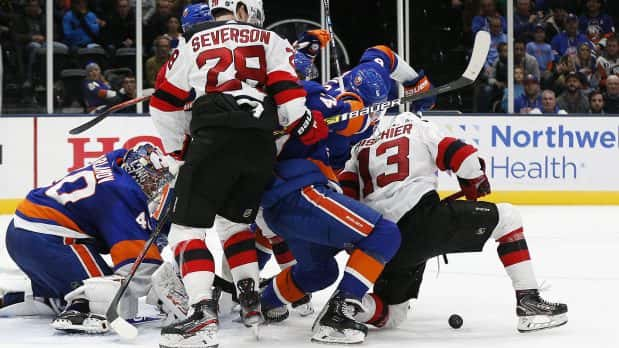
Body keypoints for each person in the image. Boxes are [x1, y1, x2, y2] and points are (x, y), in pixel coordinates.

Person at [149, 2, 327, 347]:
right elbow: (287, 92)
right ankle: (249, 297)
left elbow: (163, 104)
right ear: (242, 10)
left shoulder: (192, 44)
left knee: (187, 229)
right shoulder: (269, 38)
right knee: (235, 224)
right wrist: (296, 118)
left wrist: (178, 150)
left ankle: (201, 313)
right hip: (259, 146)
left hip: (214, 138)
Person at [338, 111, 568, 333]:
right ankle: (529, 303)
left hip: (382, 241)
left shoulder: (360, 147)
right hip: (422, 222)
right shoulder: (419, 127)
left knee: (392, 314)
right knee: (508, 218)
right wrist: (476, 180)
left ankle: (345, 308)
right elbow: (461, 154)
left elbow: (346, 199)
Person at [3, 143, 173, 333]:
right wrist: (160, 287)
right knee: (106, 293)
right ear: (136, 173)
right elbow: (136, 261)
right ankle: (81, 309)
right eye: (151, 180)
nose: (153, 187)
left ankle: (32, 298)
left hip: (20, 231)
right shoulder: (122, 193)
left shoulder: (115, 161)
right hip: (49, 238)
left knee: (60, 296)